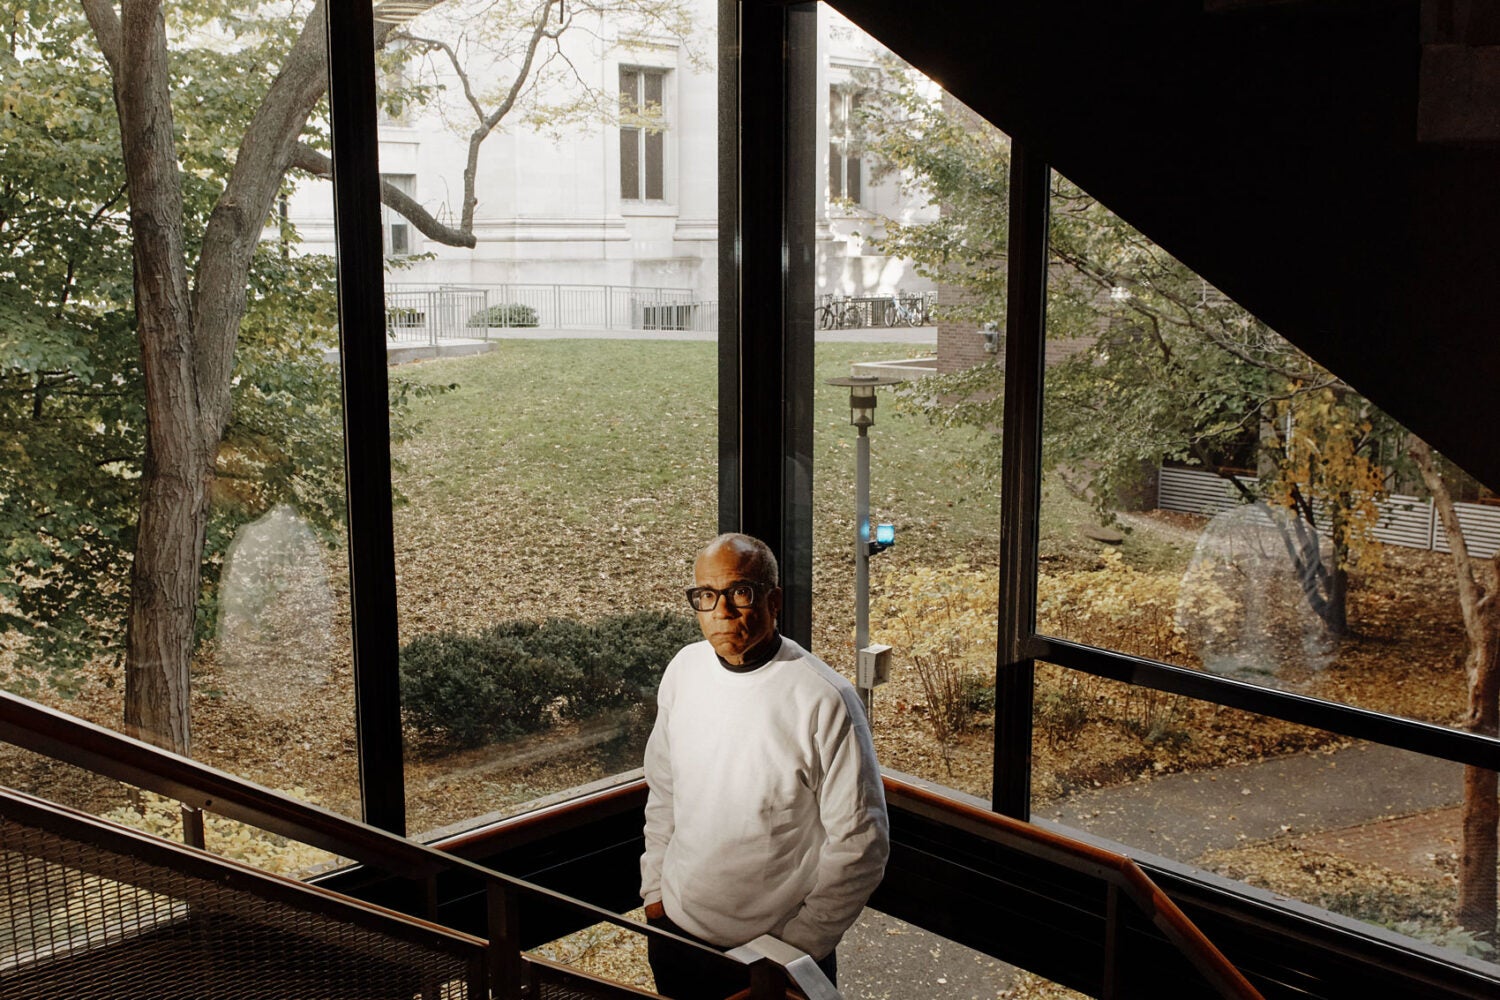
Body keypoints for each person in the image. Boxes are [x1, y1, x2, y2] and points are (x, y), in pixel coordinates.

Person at [640, 532, 889, 999]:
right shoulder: (683, 670)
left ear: (773, 601)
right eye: (706, 596)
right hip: (676, 934)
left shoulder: (825, 698)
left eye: (739, 592)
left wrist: (794, 953)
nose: (721, 611)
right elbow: (664, 790)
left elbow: (862, 845)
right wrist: (654, 892)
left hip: (775, 955)